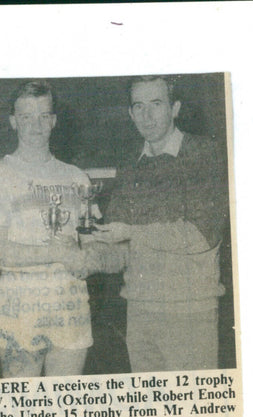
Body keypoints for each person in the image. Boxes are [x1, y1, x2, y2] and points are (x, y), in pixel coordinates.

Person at [89, 75, 229, 372]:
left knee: (193, 413)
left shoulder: (204, 153)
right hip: (139, 312)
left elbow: (201, 235)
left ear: (175, 108)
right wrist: (85, 255)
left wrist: (129, 232)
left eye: (156, 104)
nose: (146, 115)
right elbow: (119, 246)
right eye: (138, 106)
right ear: (130, 113)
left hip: (189, 313)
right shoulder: (130, 165)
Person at [0, 80, 94, 378]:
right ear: (14, 122)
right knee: (23, 411)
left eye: (43, 116)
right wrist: (56, 253)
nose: (35, 125)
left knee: (67, 411)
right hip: (19, 308)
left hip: (71, 307)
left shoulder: (77, 177)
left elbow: (90, 244)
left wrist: (90, 259)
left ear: (53, 121)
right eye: (26, 117)